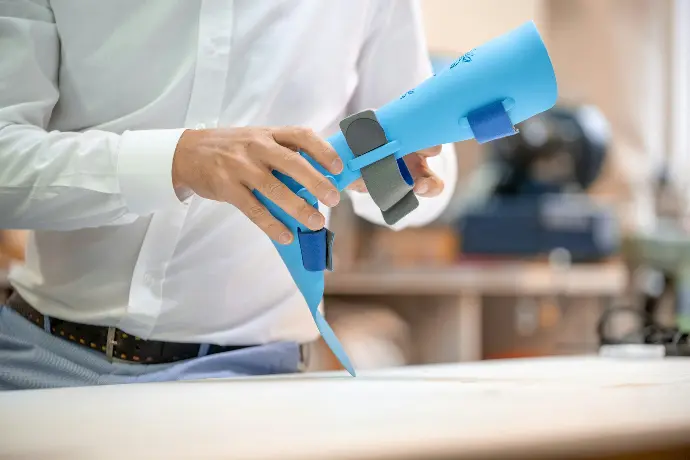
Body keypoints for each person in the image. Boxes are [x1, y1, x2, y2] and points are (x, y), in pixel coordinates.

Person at [0, 0, 457, 390]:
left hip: (259, 386)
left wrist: (393, 175)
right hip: (42, 365)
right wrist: (176, 161)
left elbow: (426, 175)